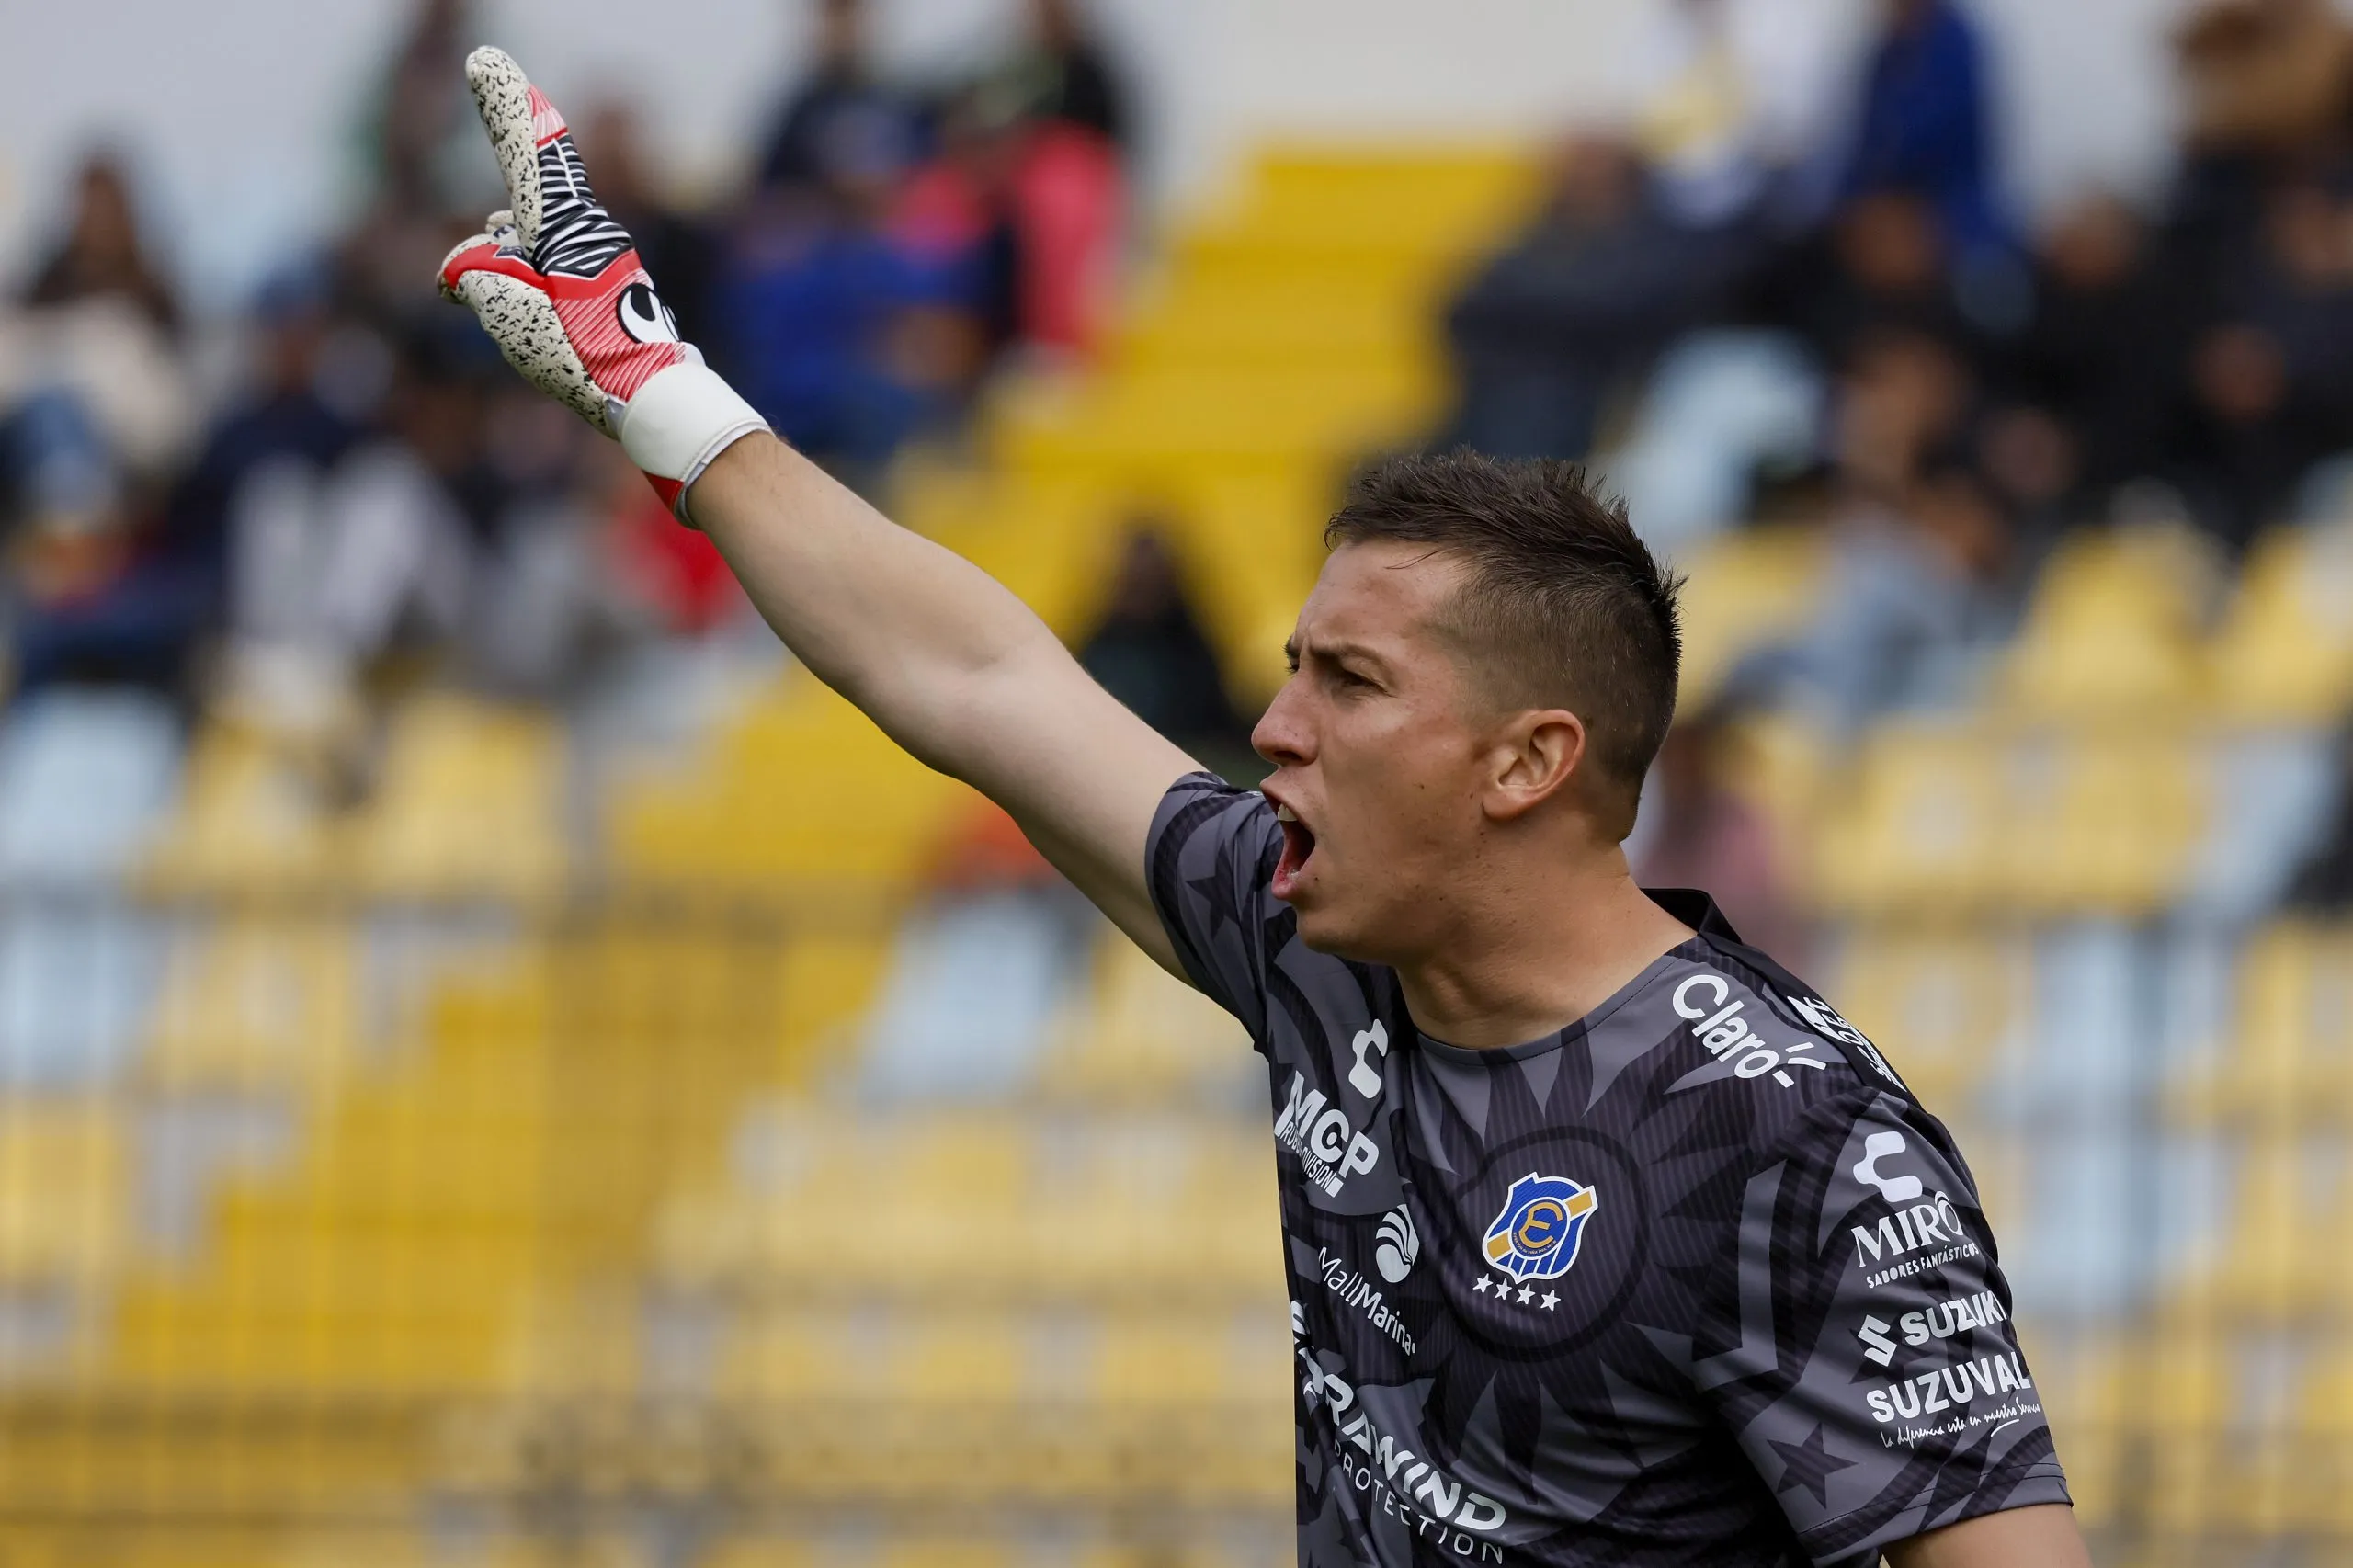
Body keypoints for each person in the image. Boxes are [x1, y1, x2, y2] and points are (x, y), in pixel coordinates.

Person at [438, 49, 2090, 1566]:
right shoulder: (1319, 947)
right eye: (1294, 666)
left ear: (1529, 762)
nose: (1269, 725)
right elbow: (980, 682)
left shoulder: (1791, 1136)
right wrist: (655, 385)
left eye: (1349, 684)